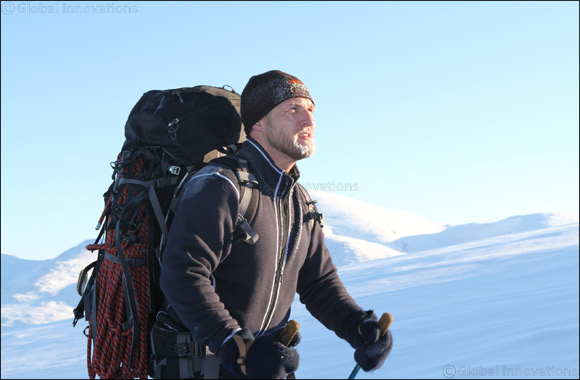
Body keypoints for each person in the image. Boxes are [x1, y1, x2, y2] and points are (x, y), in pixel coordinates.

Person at [159, 70, 393, 379]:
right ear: (258, 123)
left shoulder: (297, 199)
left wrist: (358, 326)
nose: (307, 121)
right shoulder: (221, 185)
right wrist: (236, 347)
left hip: (267, 366)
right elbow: (183, 273)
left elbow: (319, 283)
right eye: (292, 110)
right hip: (208, 367)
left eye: (310, 109)